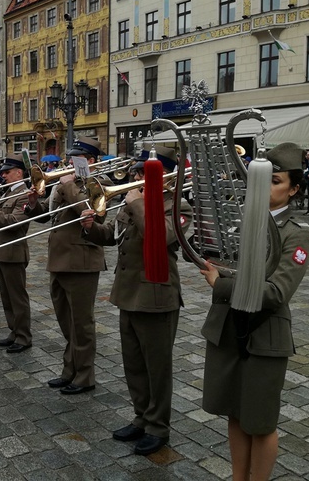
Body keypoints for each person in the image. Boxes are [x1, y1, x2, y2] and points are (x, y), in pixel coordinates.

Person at [199, 142, 309, 481]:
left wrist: (220, 283)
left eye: (275, 181)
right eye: (261, 179)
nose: (265, 187)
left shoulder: (297, 235)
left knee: (260, 422)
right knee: (235, 413)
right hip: (230, 328)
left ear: (293, 189)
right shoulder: (241, 220)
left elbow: (275, 293)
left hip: (264, 336)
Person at [80, 146, 192, 455]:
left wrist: (141, 204)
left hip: (156, 295)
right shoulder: (133, 202)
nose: (137, 177)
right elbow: (114, 237)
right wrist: (91, 228)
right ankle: (141, 416)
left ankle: (159, 426)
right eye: (138, 172)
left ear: (164, 175)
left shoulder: (177, 204)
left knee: (157, 367)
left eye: (145, 173)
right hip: (127, 293)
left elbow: (165, 237)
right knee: (133, 364)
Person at [25, 136, 108, 395]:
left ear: (90, 161)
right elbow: (52, 218)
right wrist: (32, 204)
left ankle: (85, 375)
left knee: (81, 323)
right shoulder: (67, 186)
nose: (69, 162)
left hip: (82, 263)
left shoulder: (100, 185)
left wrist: (68, 186)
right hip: (59, 261)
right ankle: (69, 368)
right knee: (65, 321)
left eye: (76, 158)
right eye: (70, 158)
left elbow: (89, 210)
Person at [0, 154, 33, 352]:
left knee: (17, 297)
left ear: (19, 172)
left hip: (14, 252)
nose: (3, 175)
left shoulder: (24, 194)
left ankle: (23, 336)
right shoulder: (5, 192)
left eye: (8, 172)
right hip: (2, 251)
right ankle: (14, 330)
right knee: (6, 297)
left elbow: (12, 222)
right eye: (2, 172)